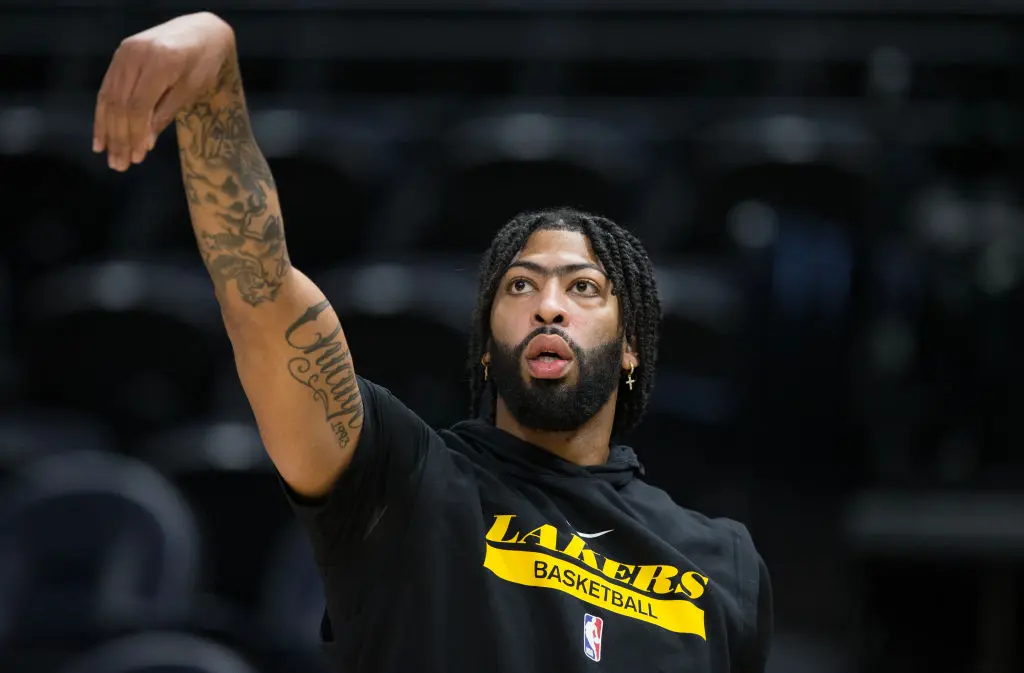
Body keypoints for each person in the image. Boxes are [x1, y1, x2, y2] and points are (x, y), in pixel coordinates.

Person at [94, 12, 773, 673]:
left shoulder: (724, 563)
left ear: (632, 347)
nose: (548, 306)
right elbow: (261, 293)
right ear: (485, 348)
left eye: (584, 288)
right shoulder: (405, 481)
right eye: (520, 287)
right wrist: (215, 73)